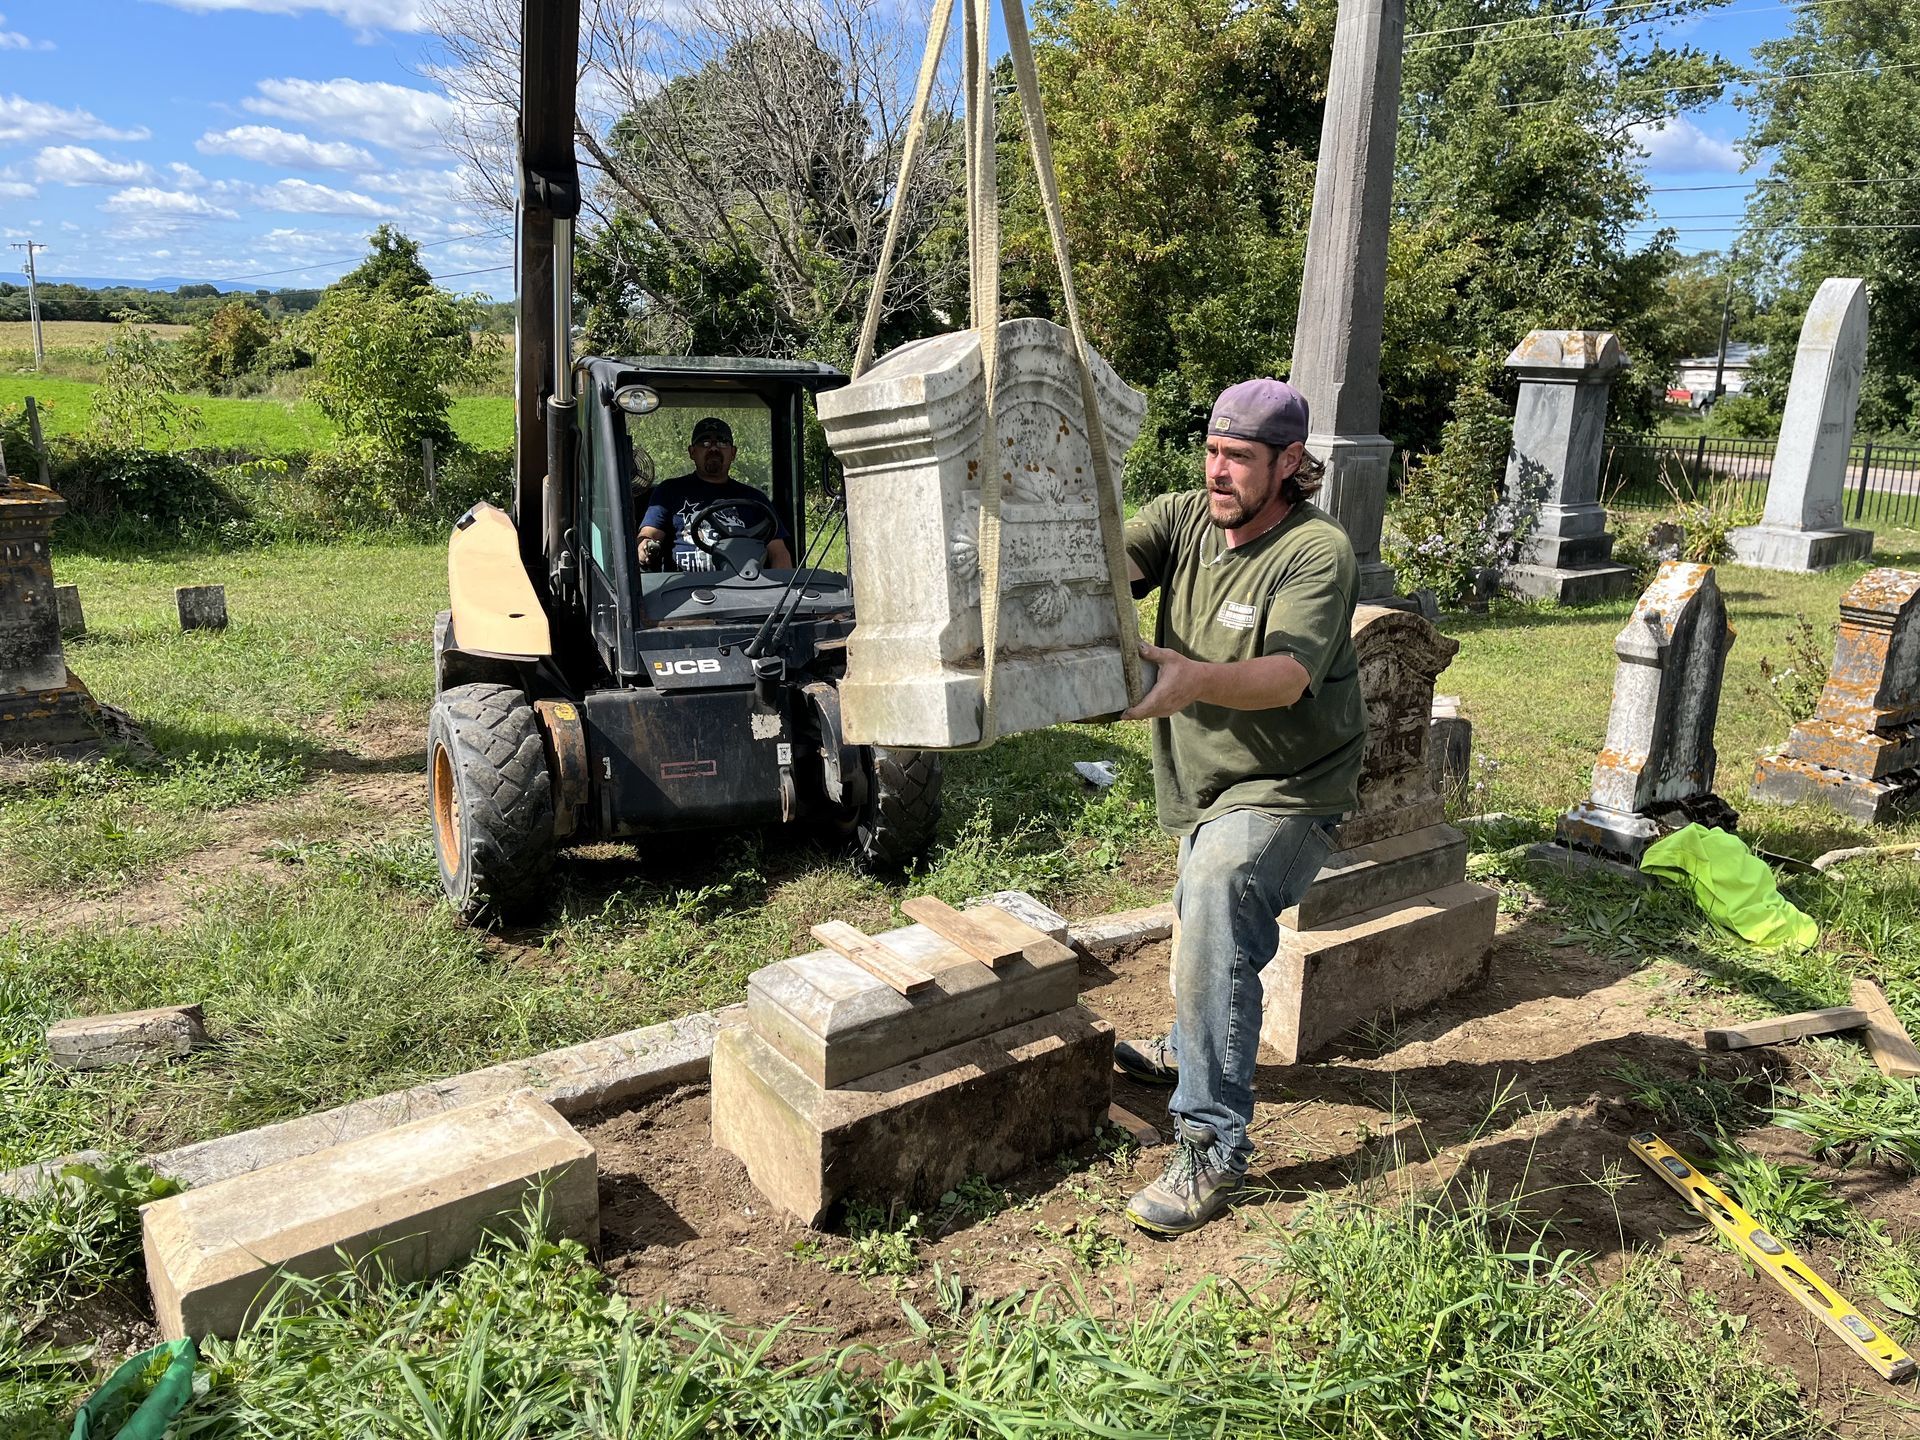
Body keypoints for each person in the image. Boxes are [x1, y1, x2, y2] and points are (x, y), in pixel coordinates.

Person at [1115, 377, 1366, 1237]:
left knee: (1220, 893)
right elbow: (1114, 565)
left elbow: (1288, 675)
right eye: (1213, 452)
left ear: (1290, 463)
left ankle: (1210, 1145)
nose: (1219, 472)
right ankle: (1190, 1049)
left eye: (1242, 459)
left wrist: (1189, 681)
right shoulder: (1187, 515)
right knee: (1204, 915)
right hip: (1205, 781)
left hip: (1294, 787)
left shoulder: (1316, 551)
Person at [638, 417, 794, 573]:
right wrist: (644, 547)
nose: (713, 449)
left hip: (745, 589)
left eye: (722, 442)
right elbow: (649, 534)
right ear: (692, 452)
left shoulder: (755, 499)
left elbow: (778, 552)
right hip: (682, 589)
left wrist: (782, 589)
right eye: (705, 443)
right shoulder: (669, 491)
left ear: (733, 453)